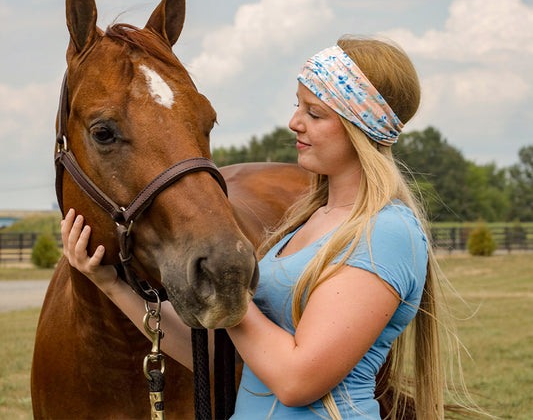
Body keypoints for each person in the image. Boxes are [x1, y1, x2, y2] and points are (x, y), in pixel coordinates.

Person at [62, 36, 444, 419]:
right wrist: (111, 283)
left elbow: (297, 381)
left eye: (314, 113)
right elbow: (226, 359)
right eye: (298, 107)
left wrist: (226, 289)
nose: (295, 123)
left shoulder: (386, 232)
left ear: (358, 126)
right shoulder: (307, 223)